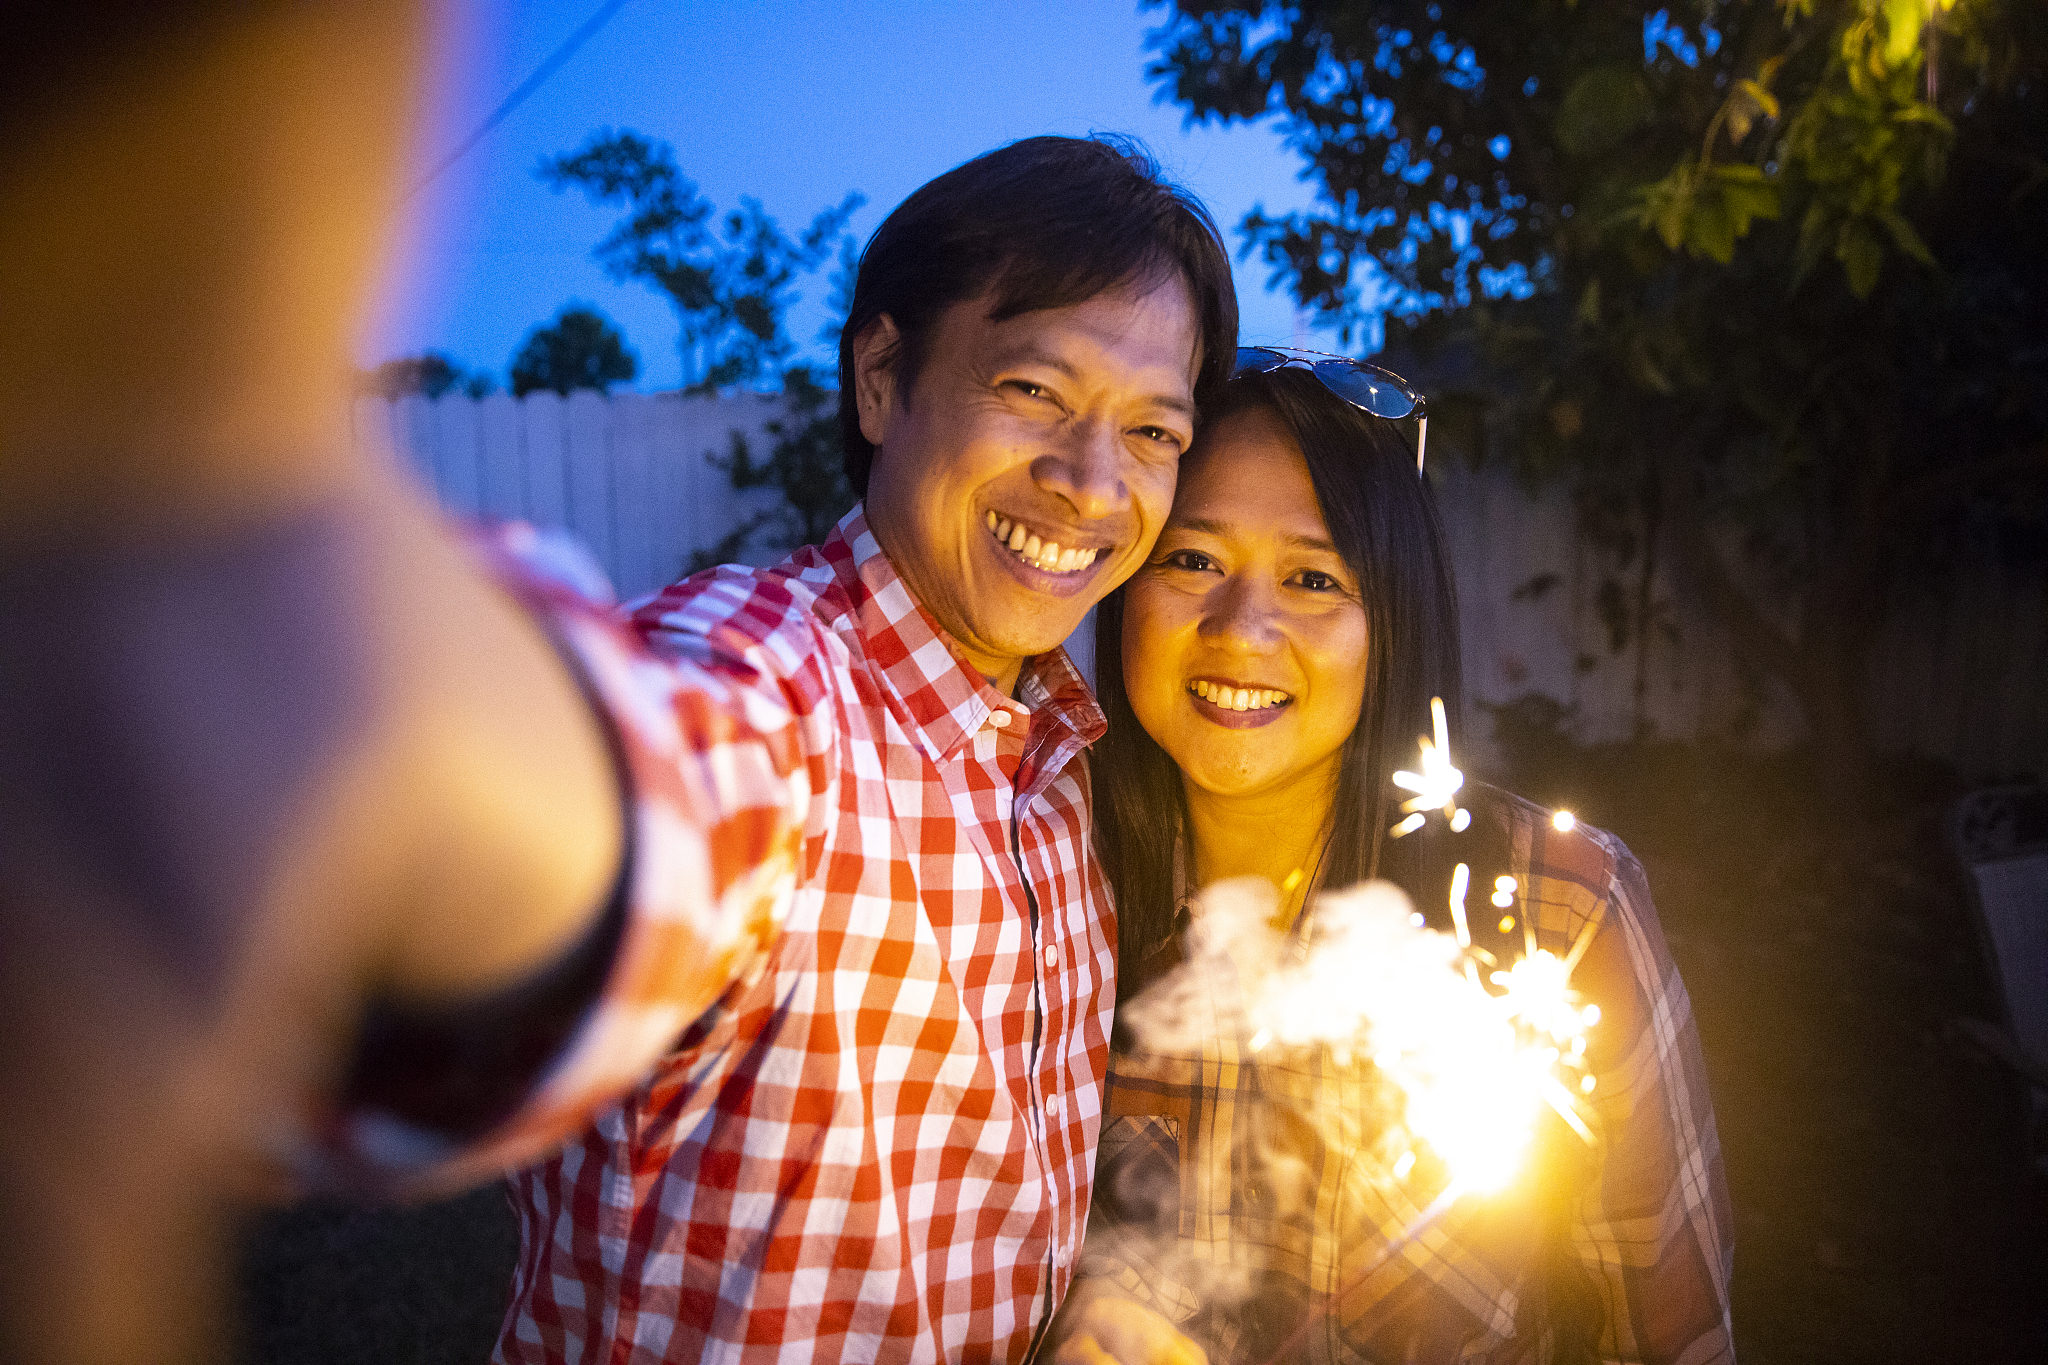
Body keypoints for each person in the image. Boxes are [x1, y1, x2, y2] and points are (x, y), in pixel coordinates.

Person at [0, 6, 1235, 1363]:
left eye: (1152, 431)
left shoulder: (1060, 764)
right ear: (883, 378)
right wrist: (357, 674)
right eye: (1034, 389)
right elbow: (643, 798)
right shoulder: (772, 688)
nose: (1092, 481)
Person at [1045, 358, 1735, 1364]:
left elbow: (1668, 1330)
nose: (1240, 630)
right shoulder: (1039, 887)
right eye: (1190, 561)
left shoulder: (1552, 909)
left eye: (1312, 578)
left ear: (1394, 618)